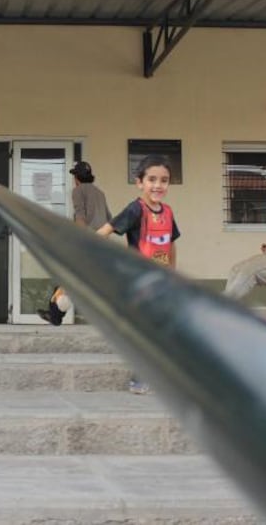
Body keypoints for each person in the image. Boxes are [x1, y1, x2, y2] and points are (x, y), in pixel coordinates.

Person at [97, 154, 179, 394]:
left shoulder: (168, 212)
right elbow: (108, 228)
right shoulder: (136, 209)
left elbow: (171, 244)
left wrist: (172, 274)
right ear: (139, 182)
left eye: (164, 180)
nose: (158, 185)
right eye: (152, 179)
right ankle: (139, 378)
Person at [37, 160, 112, 326]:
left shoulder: (78, 191)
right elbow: (109, 219)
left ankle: (55, 315)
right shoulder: (100, 193)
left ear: (77, 177)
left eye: (74, 176)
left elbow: (80, 217)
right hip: (101, 243)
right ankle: (55, 314)